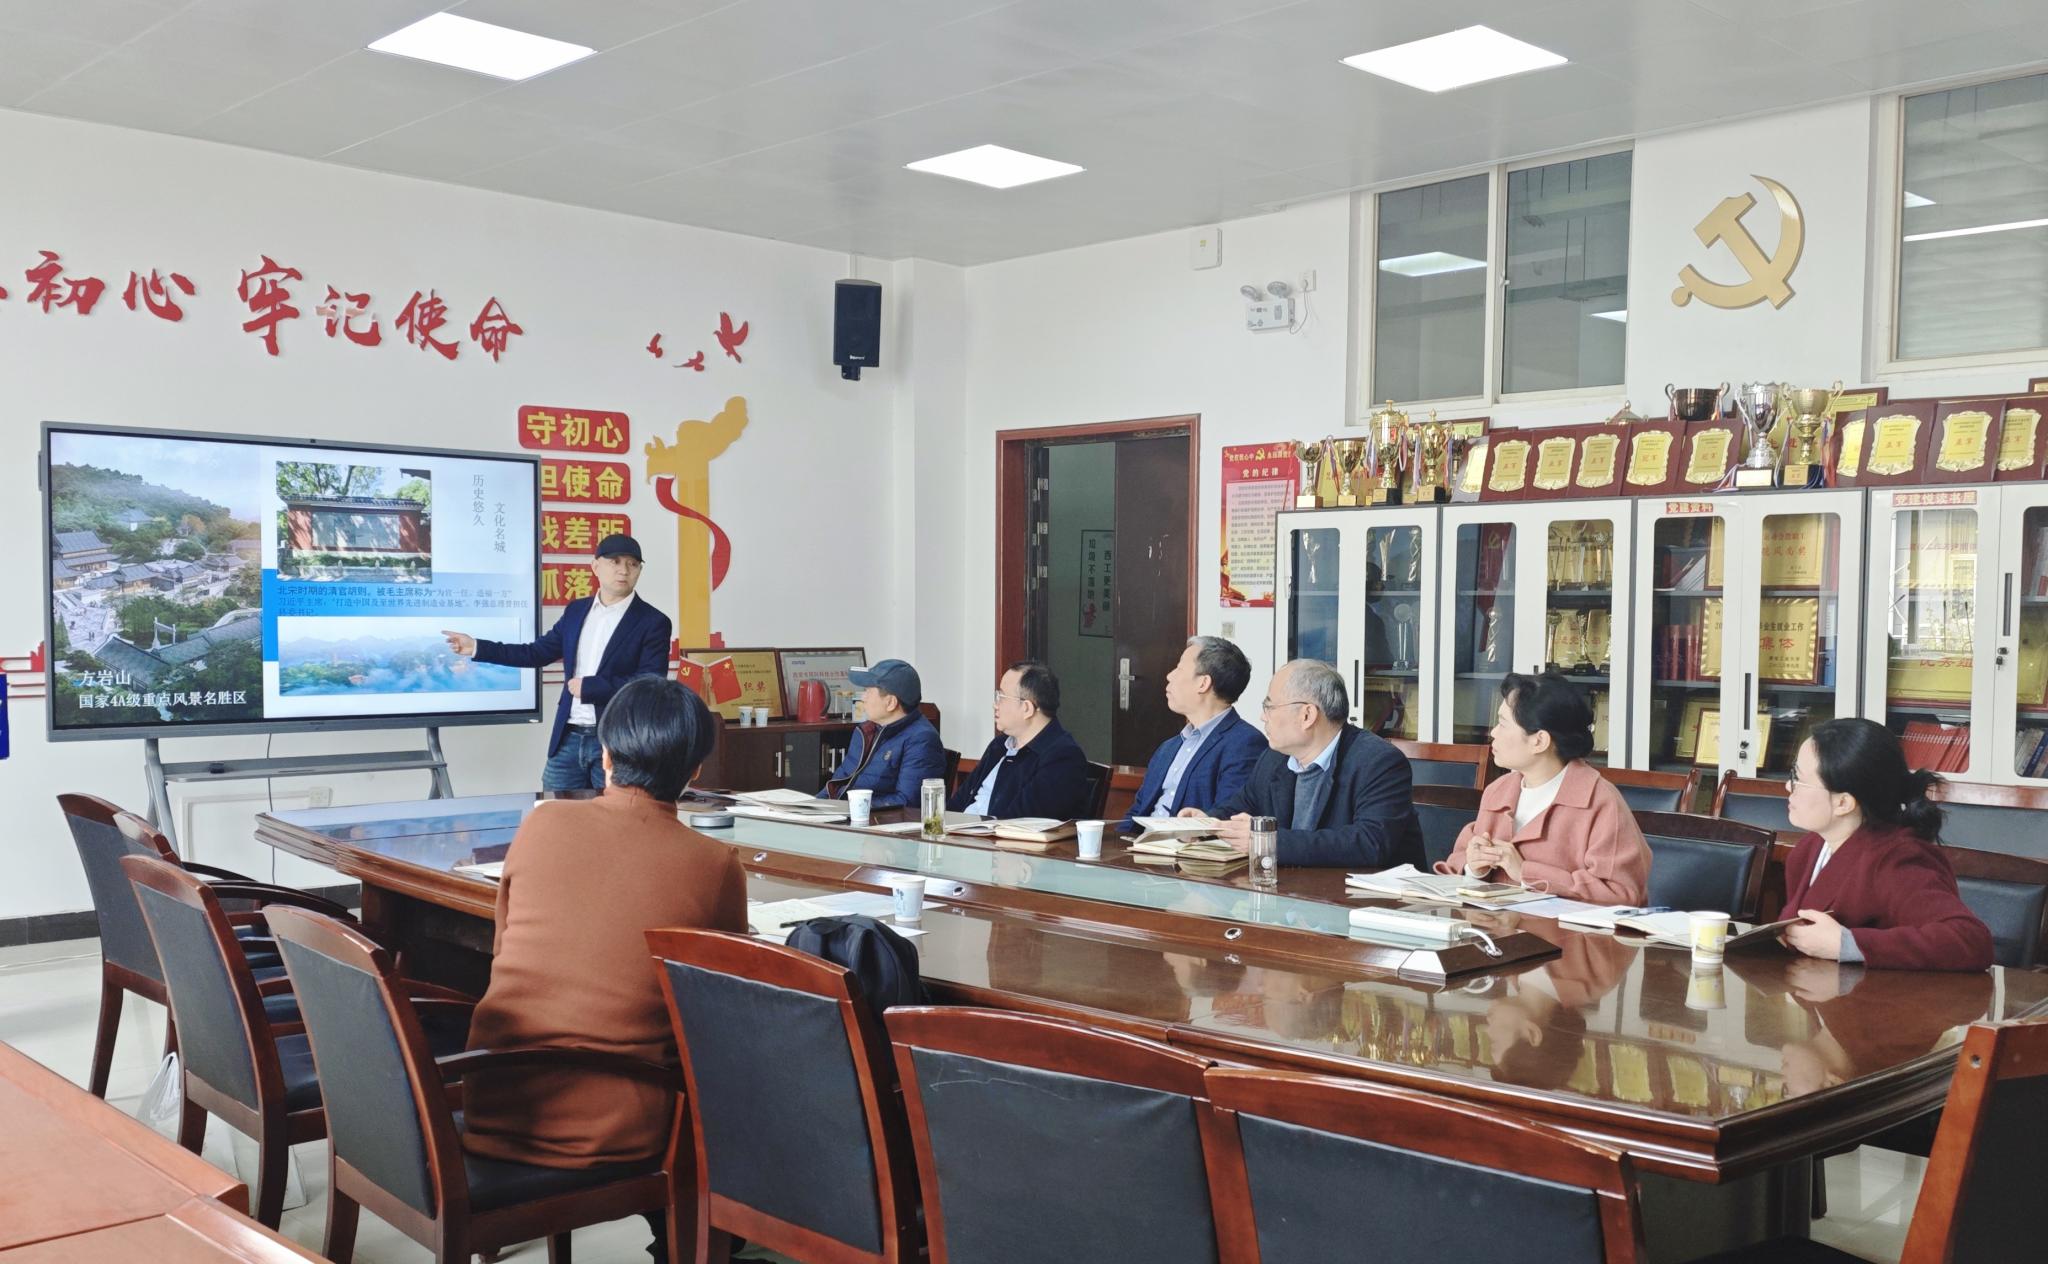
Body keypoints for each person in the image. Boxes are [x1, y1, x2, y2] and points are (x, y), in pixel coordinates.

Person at [459, 676, 745, 1256]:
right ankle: (706, 1241)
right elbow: (722, 1010)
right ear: (694, 772)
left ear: (606, 757)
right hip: (611, 1122)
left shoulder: (543, 822)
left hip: (493, 1095)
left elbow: (503, 944)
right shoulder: (715, 863)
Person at [444, 534, 673, 791]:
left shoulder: (653, 621)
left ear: (639, 570)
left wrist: (592, 687)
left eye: (632, 564)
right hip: (568, 739)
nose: (623, 570)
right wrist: (477, 647)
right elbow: (536, 653)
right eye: (615, 561)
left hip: (617, 741)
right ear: (596, 566)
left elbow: (650, 682)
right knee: (554, 808)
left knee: (612, 813)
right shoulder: (576, 611)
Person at [1777, 718, 1992, 971]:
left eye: (1798, 779)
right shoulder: (1809, 849)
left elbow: (1971, 940)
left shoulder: (1897, 860)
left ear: (1843, 803)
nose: (1788, 786)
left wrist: (1849, 944)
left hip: (1881, 995)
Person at [1437, 671, 1650, 906]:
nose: (1493, 732)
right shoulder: (1498, 790)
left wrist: (1527, 873)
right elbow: (1455, 866)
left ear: (1539, 741)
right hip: (1495, 926)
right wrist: (1474, 869)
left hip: (1562, 930)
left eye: (1503, 724)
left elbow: (1621, 895)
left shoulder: (1601, 802)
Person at [1200, 659, 1424, 868]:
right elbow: (1238, 808)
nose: (1263, 716)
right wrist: (1202, 824)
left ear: (1307, 715)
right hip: (1292, 890)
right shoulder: (1273, 759)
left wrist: (1267, 841)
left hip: (1362, 895)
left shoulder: (1378, 762)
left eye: (1270, 707)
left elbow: (1368, 844)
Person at [1118, 636, 1268, 831]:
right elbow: (1137, 811)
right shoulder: (1169, 747)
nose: (1169, 676)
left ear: (1203, 683)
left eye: (1179, 668)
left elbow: (1229, 817)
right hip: (1140, 846)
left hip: (1188, 847)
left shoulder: (1245, 744)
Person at [949, 660, 1092, 820]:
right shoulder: (999, 746)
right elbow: (957, 804)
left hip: (993, 835)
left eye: (1001, 697)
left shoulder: (1063, 758)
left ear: (1027, 709)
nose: (995, 705)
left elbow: (1017, 823)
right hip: (960, 832)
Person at [820, 658, 945, 809]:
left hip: (873, 819)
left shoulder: (922, 740)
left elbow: (907, 802)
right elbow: (836, 785)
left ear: (890, 702)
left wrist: (852, 808)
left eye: (868, 692)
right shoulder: (866, 732)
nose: (863, 698)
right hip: (848, 814)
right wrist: (810, 807)